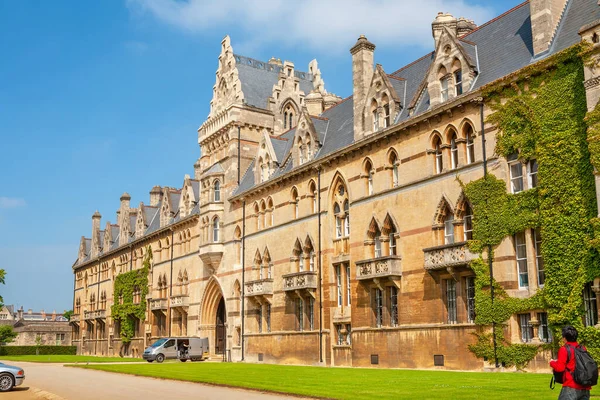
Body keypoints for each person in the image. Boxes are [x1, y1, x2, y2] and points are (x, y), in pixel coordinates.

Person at [550, 326, 591, 400]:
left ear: (564, 338)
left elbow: (560, 368)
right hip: (585, 386)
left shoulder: (564, 349)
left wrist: (552, 362)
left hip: (571, 386)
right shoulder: (582, 348)